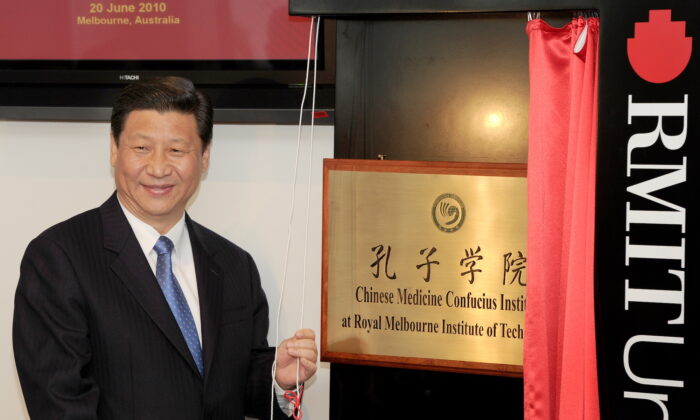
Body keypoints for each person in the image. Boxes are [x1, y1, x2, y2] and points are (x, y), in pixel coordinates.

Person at [12, 77, 317, 420]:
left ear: (203, 157)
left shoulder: (235, 265)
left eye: (176, 150)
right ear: (114, 149)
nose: (158, 168)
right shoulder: (58, 259)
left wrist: (275, 377)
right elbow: (60, 405)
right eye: (141, 148)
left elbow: (232, 384)